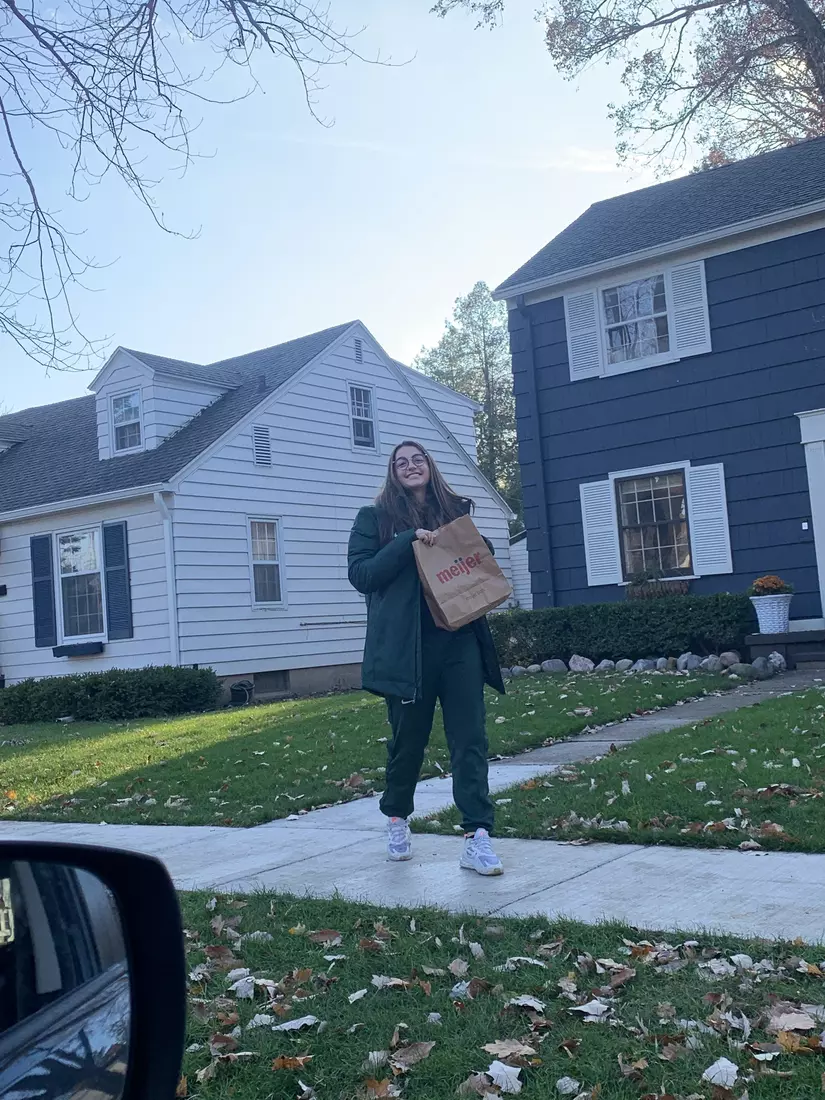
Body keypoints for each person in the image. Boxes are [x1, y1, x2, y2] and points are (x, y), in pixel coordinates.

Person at [347, 440, 506, 876]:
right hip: (406, 651)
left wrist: (466, 539)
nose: (411, 466)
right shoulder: (374, 518)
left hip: (459, 644)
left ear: (429, 467)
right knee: (407, 743)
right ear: (393, 473)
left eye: (418, 460)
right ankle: (397, 818)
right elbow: (362, 575)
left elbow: (480, 558)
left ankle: (477, 835)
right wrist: (406, 541)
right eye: (402, 462)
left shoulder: (454, 511)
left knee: (470, 740)